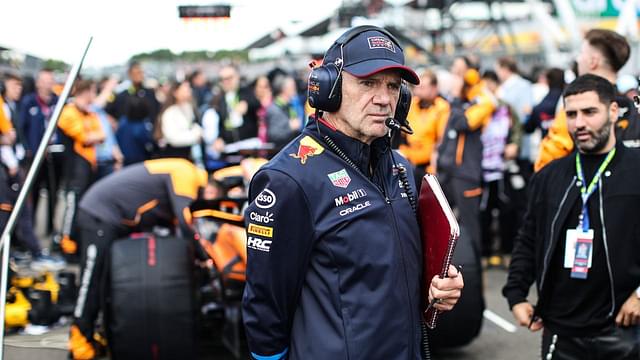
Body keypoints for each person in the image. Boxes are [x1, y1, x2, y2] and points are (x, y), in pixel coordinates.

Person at [242, 26, 464, 360]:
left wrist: (438, 289)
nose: (384, 99)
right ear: (327, 89)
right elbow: (265, 309)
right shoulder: (288, 179)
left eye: (392, 86)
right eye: (367, 83)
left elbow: (397, 272)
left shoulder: (400, 168)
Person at [503, 74, 640, 359]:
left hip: (624, 331)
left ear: (613, 111)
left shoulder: (636, 169)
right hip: (560, 332)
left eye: (590, 112)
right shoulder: (549, 176)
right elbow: (528, 238)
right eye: (572, 114)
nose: (579, 123)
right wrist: (515, 295)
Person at [68, 158, 214, 360]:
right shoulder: (186, 172)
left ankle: (94, 335)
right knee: (91, 280)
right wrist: (204, 256)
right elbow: (184, 220)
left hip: (112, 216)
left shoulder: (181, 172)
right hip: (99, 213)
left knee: (105, 283)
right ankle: (79, 342)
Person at [535, 29, 640, 171]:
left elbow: (548, 160)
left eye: (581, 53)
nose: (578, 59)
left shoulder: (576, 104)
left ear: (593, 61)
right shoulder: (634, 103)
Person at [398, 68, 449, 184]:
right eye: (417, 87)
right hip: (408, 157)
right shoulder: (413, 103)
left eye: (422, 87)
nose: (417, 91)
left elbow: (441, 140)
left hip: (429, 164)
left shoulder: (442, 107)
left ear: (434, 88)